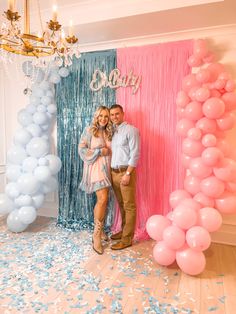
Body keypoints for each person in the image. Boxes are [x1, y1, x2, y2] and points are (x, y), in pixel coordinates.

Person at [78, 106, 113, 255]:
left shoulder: (110, 132)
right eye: (101, 116)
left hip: (108, 168)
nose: (103, 119)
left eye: (106, 116)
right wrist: (99, 151)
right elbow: (81, 149)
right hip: (96, 168)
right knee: (102, 198)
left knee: (104, 200)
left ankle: (102, 229)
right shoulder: (89, 130)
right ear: (96, 117)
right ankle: (96, 235)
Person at [109, 104, 140, 250]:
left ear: (123, 114)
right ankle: (123, 231)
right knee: (121, 205)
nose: (114, 117)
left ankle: (127, 239)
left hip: (125, 172)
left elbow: (135, 154)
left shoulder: (131, 130)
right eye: (112, 115)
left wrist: (128, 174)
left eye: (117, 114)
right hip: (114, 172)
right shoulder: (114, 133)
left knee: (129, 206)